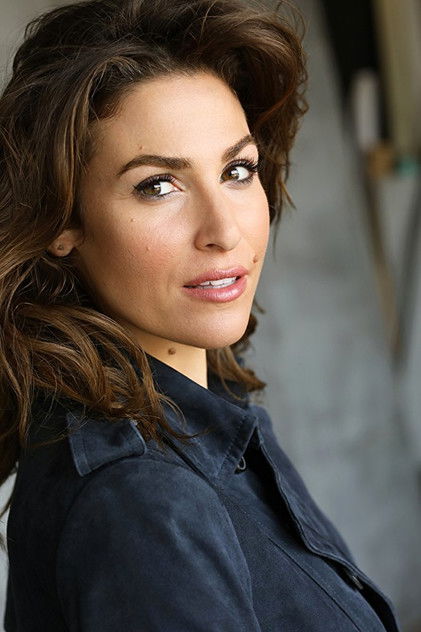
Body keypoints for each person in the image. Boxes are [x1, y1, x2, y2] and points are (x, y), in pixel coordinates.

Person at [0, 0, 402, 630]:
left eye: (237, 170)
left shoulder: (204, 423)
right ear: (62, 222)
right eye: (158, 185)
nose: (224, 230)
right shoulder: (142, 501)